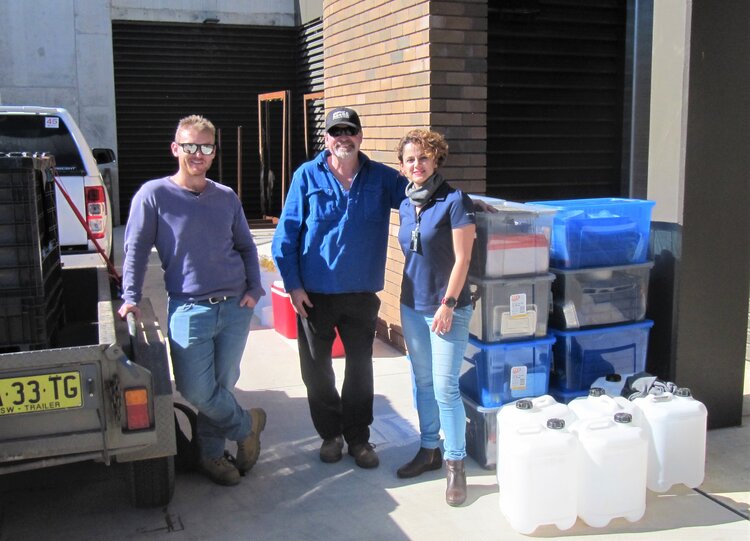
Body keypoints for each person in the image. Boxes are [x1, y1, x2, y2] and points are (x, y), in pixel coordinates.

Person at [118, 114, 266, 487]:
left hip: (234, 307)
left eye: (205, 147)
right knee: (196, 389)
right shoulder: (153, 195)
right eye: (190, 146)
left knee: (221, 384)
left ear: (213, 152)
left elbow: (247, 246)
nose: (197, 154)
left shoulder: (225, 196)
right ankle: (247, 426)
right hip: (188, 307)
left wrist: (254, 290)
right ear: (176, 149)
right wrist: (130, 297)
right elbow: (135, 251)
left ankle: (213, 457)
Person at [271, 107, 407, 469]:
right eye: (336, 132)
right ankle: (330, 435)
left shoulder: (382, 178)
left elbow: (420, 195)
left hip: (361, 295)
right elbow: (285, 237)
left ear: (360, 136)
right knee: (317, 371)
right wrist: (294, 286)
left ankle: (359, 439)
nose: (342, 137)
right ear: (327, 139)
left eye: (349, 130)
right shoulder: (306, 176)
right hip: (314, 296)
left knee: (360, 369)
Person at [394, 129, 476, 507]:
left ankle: (455, 465)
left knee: (445, 389)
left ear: (436, 160)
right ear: (402, 165)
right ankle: (429, 449)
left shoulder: (455, 201)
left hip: (447, 308)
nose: (417, 164)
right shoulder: (406, 202)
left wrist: (448, 302)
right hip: (412, 304)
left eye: (423, 158)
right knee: (422, 381)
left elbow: (463, 258)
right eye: (410, 159)